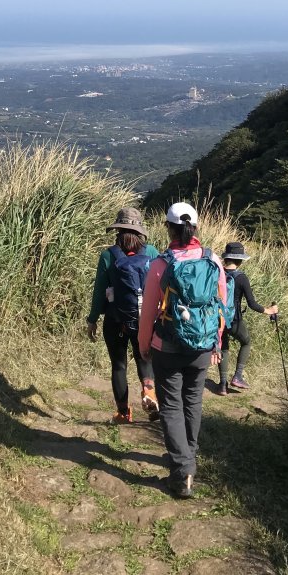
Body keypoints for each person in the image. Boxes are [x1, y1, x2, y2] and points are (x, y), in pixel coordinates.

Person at [138, 202, 227, 499]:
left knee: (172, 407)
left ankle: (182, 470)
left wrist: (144, 346)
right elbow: (220, 308)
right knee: (193, 402)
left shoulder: (160, 265)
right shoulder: (213, 260)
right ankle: (187, 457)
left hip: (168, 347)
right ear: (196, 228)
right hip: (202, 346)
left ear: (168, 228)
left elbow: (148, 311)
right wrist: (216, 341)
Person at [86, 207, 160, 423]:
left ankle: (123, 413)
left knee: (119, 365)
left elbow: (99, 290)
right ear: (139, 231)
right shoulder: (152, 253)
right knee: (144, 359)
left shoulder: (108, 255)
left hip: (115, 319)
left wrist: (92, 320)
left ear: (117, 229)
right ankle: (149, 391)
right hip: (145, 320)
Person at [218, 241, 278, 395]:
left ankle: (222, 385)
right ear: (240, 260)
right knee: (246, 342)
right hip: (234, 320)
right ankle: (237, 376)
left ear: (226, 258)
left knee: (223, 348)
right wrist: (269, 310)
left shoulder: (218, 274)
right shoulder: (241, 278)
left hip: (218, 319)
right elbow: (252, 304)